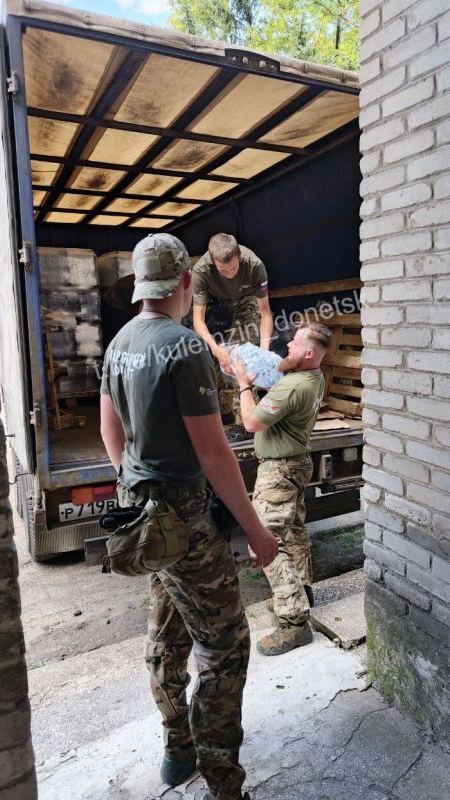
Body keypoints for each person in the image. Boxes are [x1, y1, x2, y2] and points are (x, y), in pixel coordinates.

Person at [99, 232, 278, 799]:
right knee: (225, 647)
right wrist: (255, 528)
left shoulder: (119, 342)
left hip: (147, 519)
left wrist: (134, 488)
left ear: (138, 285)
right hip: (187, 522)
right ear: (183, 282)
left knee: (168, 632)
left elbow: (112, 432)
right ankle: (224, 783)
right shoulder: (184, 347)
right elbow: (212, 451)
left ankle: (178, 751)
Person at [231, 321, 332, 657]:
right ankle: (301, 590)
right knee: (292, 534)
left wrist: (244, 385)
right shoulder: (313, 377)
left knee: (265, 544)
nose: (287, 345)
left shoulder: (293, 387)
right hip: (297, 462)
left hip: (279, 470)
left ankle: (293, 623)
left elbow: (251, 422)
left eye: (294, 342)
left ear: (308, 353)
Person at [192, 233, 274, 425]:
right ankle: (222, 410)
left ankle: (244, 421)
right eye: (223, 270)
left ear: (239, 256)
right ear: (212, 262)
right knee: (207, 355)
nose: (230, 274)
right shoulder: (201, 270)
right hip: (215, 303)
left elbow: (266, 313)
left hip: (245, 300)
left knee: (240, 354)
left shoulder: (254, 264)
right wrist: (215, 348)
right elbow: (198, 320)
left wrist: (264, 352)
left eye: (234, 268)